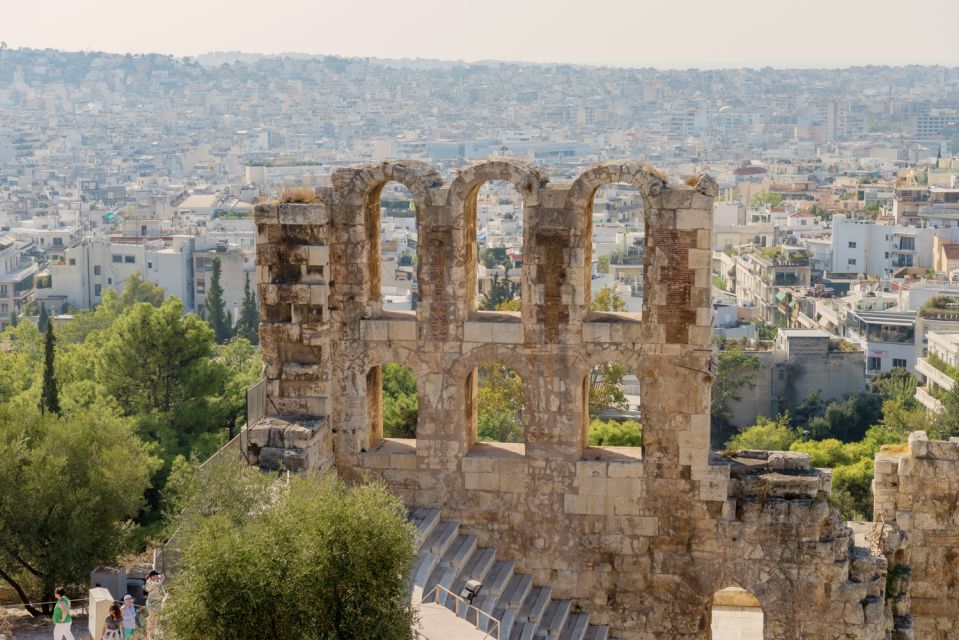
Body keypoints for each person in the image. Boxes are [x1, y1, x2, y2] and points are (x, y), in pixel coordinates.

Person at [144, 571, 165, 638]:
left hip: (154, 602)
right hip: (152, 603)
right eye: (156, 576)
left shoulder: (150, 581)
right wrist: (162, 579)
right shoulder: (150, 582)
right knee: (152, 618)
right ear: (152, 576)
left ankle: (152, 633)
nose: (157, 577)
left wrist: (159, 577)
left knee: (155, 618)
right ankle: (151, 634)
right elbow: (158, 584)